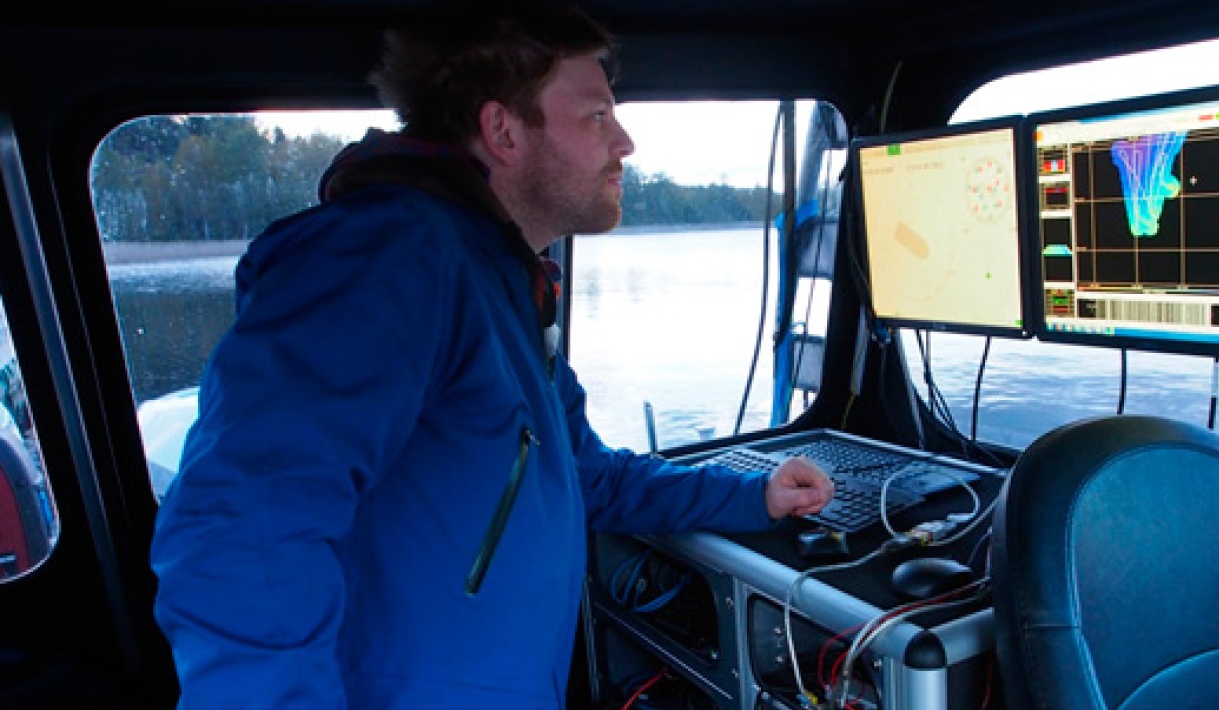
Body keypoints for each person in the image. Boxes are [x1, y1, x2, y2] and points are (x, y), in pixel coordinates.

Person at [149, 5, 834, 708]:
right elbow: (238, 529)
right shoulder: (393, 258)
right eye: (596, 115)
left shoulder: (504, 281)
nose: (624, 141)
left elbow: (583, 474)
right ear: (503, 130)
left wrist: (751, 494)